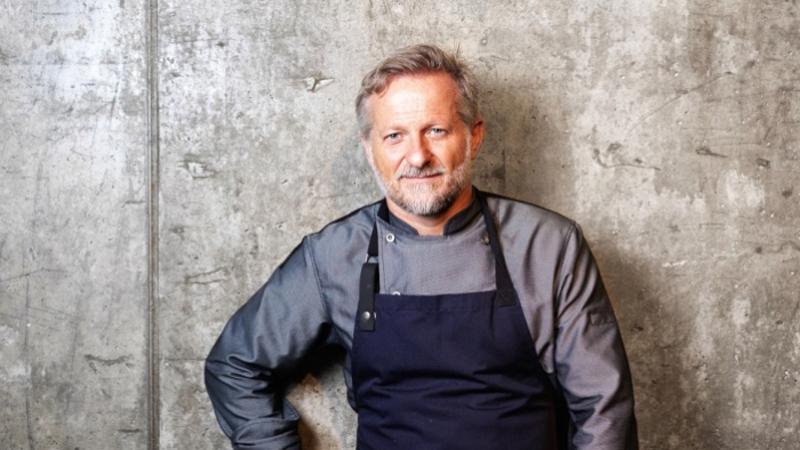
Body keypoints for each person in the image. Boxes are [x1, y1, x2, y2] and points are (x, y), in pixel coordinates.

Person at [205, 44, 638, 450]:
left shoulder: (549, 246)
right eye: (394, 135)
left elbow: (604, 409)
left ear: (473, 136)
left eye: (435, 130)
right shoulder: (334, 255)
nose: (417, 156)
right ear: (369, 149)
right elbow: (235, 365)